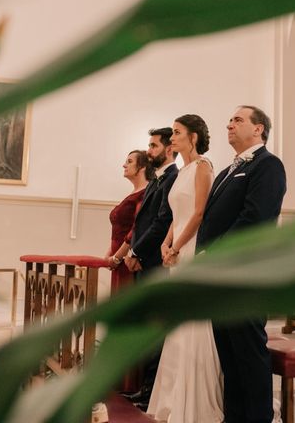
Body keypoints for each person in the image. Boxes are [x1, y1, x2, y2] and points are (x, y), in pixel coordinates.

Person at [197, 106, 286, 423]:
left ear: (259, 129)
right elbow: (210, 222)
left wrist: (216, 252)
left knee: (248, 352)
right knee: (229, 353)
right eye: (230, 119)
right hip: (219, 275)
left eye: (238, 119)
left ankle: (259, 418)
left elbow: (255, 218)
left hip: (246, 272)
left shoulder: (268, 165)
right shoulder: (226, 171)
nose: (229, 124)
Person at [147, 114, 222, 423]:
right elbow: (177, 214)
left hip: (192, 251)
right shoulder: (182, 171)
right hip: (178, 248)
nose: (173, 138)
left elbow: (201, 212)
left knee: (193, 323)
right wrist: (166, 244)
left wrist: (177, 247)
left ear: (193, 137)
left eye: (177, 133)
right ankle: (171, 399)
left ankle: (194, 404)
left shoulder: (203, 167)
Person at [124, 128, 179, 408]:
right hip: (144, 260)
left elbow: (161, 222)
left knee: (156, 327)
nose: (149, 150)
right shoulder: (159, 178)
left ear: (169, 149)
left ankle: (151, 391)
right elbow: (140, 223)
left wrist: (136, 251)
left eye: (153, 145)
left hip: (156, 263)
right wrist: (133, 249)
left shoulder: (173, 177)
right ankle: (145, 388)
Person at [104, 149, 153, 393]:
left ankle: (129, 380)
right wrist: (109, 252)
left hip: (126, 261)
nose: (124, 164)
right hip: (117, 258)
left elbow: (134, 231)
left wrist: (118, 256)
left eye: (130, 161)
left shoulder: (144, 194)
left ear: (143, 167)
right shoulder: (133, 193)